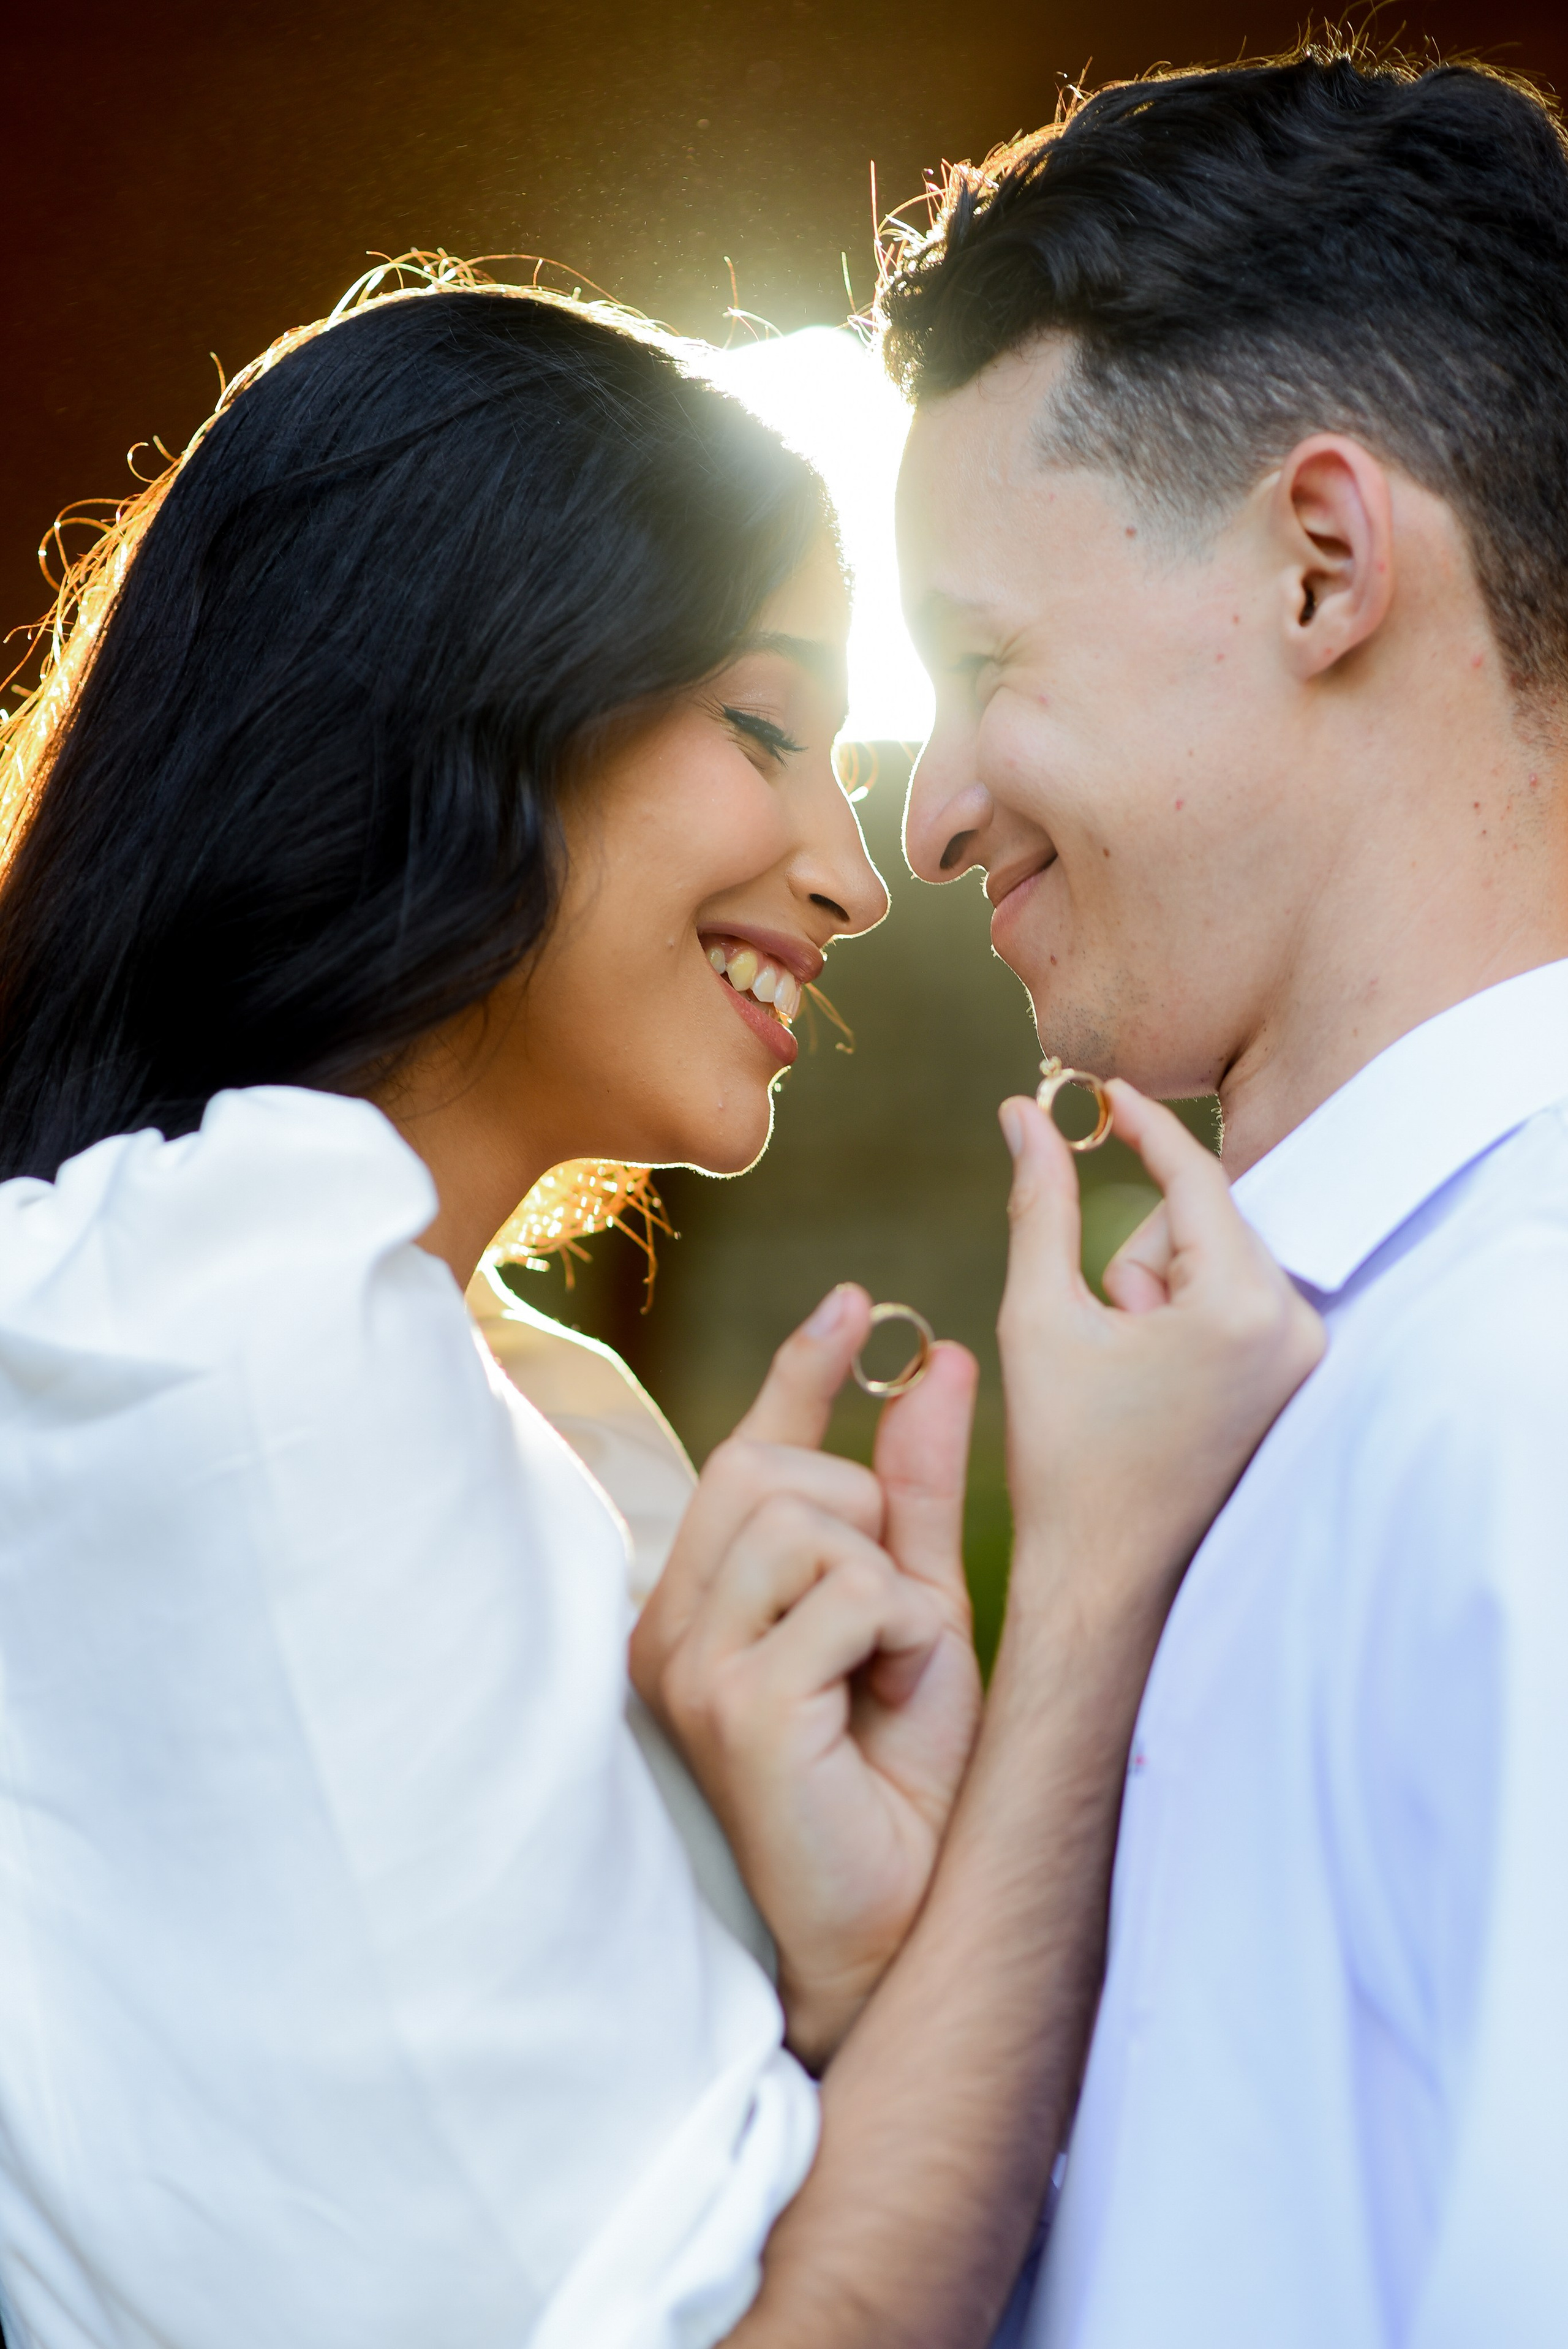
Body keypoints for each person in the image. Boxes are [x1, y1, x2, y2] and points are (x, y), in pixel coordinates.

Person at [0, 260, 1319, 2348]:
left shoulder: (534, 1398)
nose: (859, 871)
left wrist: (845, 1969)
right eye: (765, 721)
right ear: (470, 681)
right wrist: (1091, 1588)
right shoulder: (231, 1331)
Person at [881, 37, 1568, 2349]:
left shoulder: (1530, 1381)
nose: (930, 810)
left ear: (1320, 565)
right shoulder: (1296, 1378)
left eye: (983, 660)